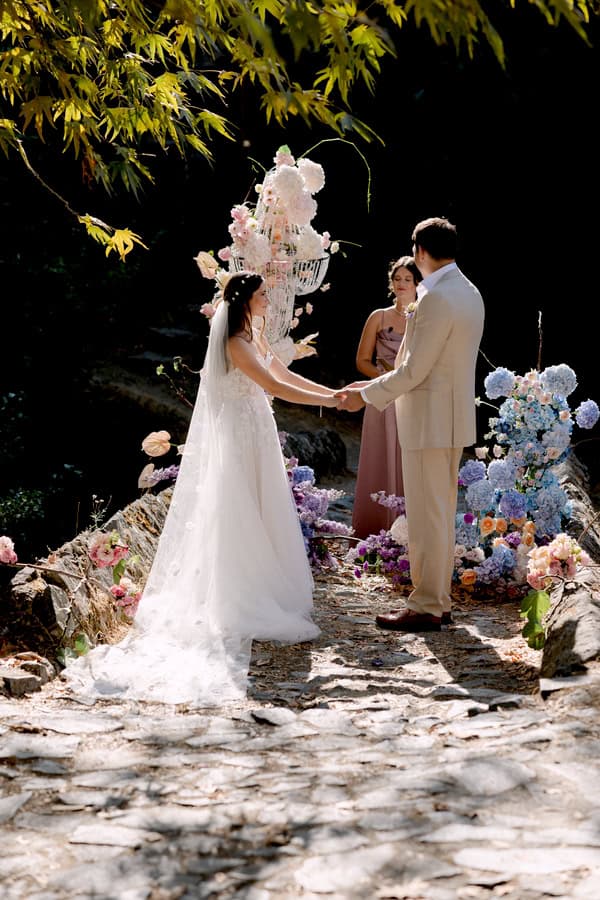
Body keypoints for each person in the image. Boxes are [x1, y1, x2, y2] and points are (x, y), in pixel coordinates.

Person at [63, 271, 338, 705]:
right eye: (263, 294)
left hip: (257, 430)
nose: (269, 299)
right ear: (246, 300)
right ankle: (240, 595)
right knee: (239, 511)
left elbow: (283, 371)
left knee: (264, 507)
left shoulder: (254, 332)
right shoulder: (234, 343)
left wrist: (333, 392)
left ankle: (269, 585)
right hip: (238, 435)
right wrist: (328, 402)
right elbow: (273, 386)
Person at [336, 217, 484, 632]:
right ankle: (438, 599)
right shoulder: (468, 292)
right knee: (439, 512)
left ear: (420, 251)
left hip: (429, 420)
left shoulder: (436, 299)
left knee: (425, 515)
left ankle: (426, 606)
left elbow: (414, 370)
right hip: (449, 419)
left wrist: (364, 394)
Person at [351, 256, 422, 538]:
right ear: (390, 283)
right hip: (382, 398)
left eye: (408, 279)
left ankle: (406, 532)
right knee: (378, 459)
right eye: (398, 279)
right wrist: (386, 380)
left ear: (418, 283)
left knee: (409, 462)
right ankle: (372, 529)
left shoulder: (425, 318)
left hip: (414, 400)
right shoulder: (378, 317)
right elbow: (362, 361)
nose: (402, 284)